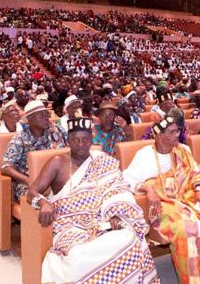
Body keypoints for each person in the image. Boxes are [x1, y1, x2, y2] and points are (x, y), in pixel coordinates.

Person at [28, 117, 159, 284]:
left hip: (100, 221)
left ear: (92, 140)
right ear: (68, 141)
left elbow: (117, 189)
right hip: (68, 224)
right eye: (75, 140)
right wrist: (42, 202)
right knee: (79, 256)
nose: (80, 144)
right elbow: (31, 191)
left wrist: (115, 214)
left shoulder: (101, 161)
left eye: (85, 139)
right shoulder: (57, 162)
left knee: (129, 238)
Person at [124, 117, 200, 283]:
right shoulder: (144, 155)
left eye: (177, 131)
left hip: (188, 198)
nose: (177, 135)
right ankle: (194, 278)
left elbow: (197, 173)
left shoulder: (183, 150)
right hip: (164, 206)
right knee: (185, 228)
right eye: (172, 132)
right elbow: (126, 179)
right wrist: (148, 188)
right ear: (158, 136)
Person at [1, 100, 68, 201]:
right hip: (29, 182)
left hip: (57, 179)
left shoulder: (57, 130)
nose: (47, 118)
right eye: (41, 115)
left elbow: (71, 149)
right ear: (30, 118)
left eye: (46, 114)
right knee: (43, 200)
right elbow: (6, 167)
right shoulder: (20, 139)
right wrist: (27, 180)